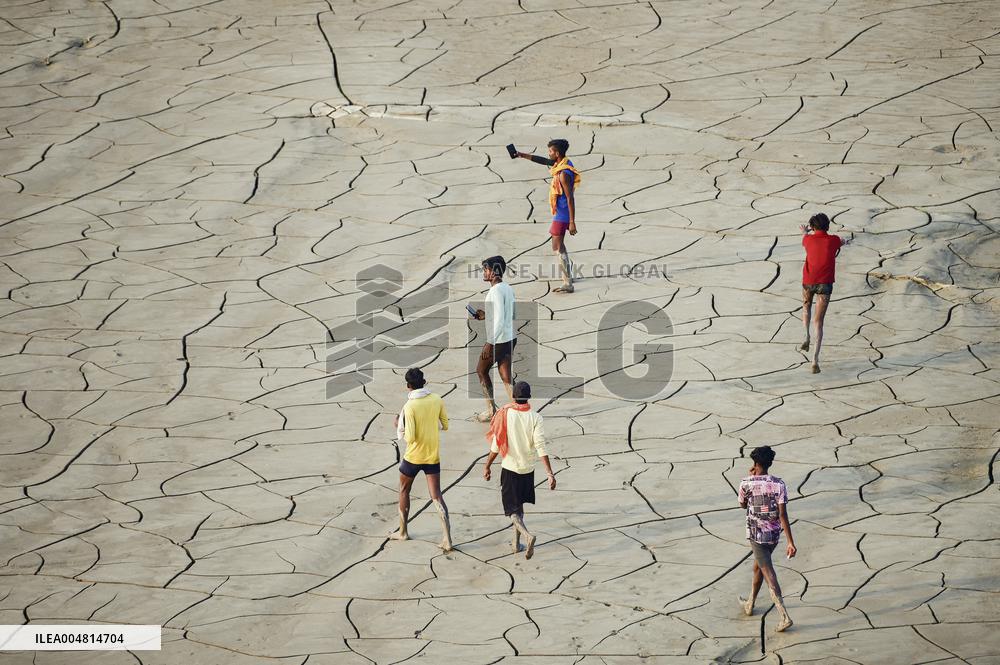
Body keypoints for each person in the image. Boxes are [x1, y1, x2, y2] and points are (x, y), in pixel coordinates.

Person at [482, 381, 556, 559]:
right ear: (529, 397)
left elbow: (496, 445)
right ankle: (516, 544)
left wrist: (487, 465)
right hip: (528, 470)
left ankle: (527, 536)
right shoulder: (536, 418)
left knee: (511, 510)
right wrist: (549, 473)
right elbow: (541, 447)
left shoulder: (505, 414)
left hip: (510, 468)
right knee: (519, 505)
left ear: (513, 396)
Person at [392, 367, 452, 551]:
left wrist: (398, 423)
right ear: (424, 382)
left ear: (408, 386)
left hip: (413, 456)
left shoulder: (409, 407)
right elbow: (445, 425)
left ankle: (403, 532)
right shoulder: (436, 399)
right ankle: (448, 539)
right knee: (436, 496)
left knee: (404, 490)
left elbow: (409, 437)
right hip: (432, 455)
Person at [738, 446, 796, 632]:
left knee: (768, 572)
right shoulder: (779, 484)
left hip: (756, 535)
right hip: (773, 535)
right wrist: (790, 541)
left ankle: (784, 616)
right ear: (770, 463)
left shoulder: (746, 483)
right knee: (758, 567)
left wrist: (751, 478)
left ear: (755, 463)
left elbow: (742, 504)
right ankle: (750, 604)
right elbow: (783, 514)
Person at [516, 139, 580, 293]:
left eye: (551, 151)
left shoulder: (563, 174)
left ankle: (568, 283)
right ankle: (569, 275)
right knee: (559, 246)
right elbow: (543, 161)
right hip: (560, 213)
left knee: (557, 247)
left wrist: (572, 222)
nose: (549, 153)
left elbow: (570, 198)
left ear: (557, 153)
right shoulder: (563, 163)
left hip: (563, 214)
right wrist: (521, 155)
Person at [799, 212, 849, 373]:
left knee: (806, 308)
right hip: (825, 284)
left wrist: (805, 232)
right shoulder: (833, 240)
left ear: (813, 227)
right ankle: (814, 360)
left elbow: (806, 238)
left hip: (808, 282)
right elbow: (841, 242)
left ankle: (806, 336)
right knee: (819, 322)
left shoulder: (807, 240)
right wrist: (845, 242)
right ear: (827, 226)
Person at [473, 255, 515, 422]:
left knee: (481, 370)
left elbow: (498, 320)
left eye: (486, 269)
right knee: (505, 374)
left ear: (494, 271)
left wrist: (490, 343)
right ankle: (518, 408)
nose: (484, 272)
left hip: (498, 340)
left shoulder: (495, 291)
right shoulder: (507, 288)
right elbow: (508, 314)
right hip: (510, 337)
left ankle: (491, 410)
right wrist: (485, 315)